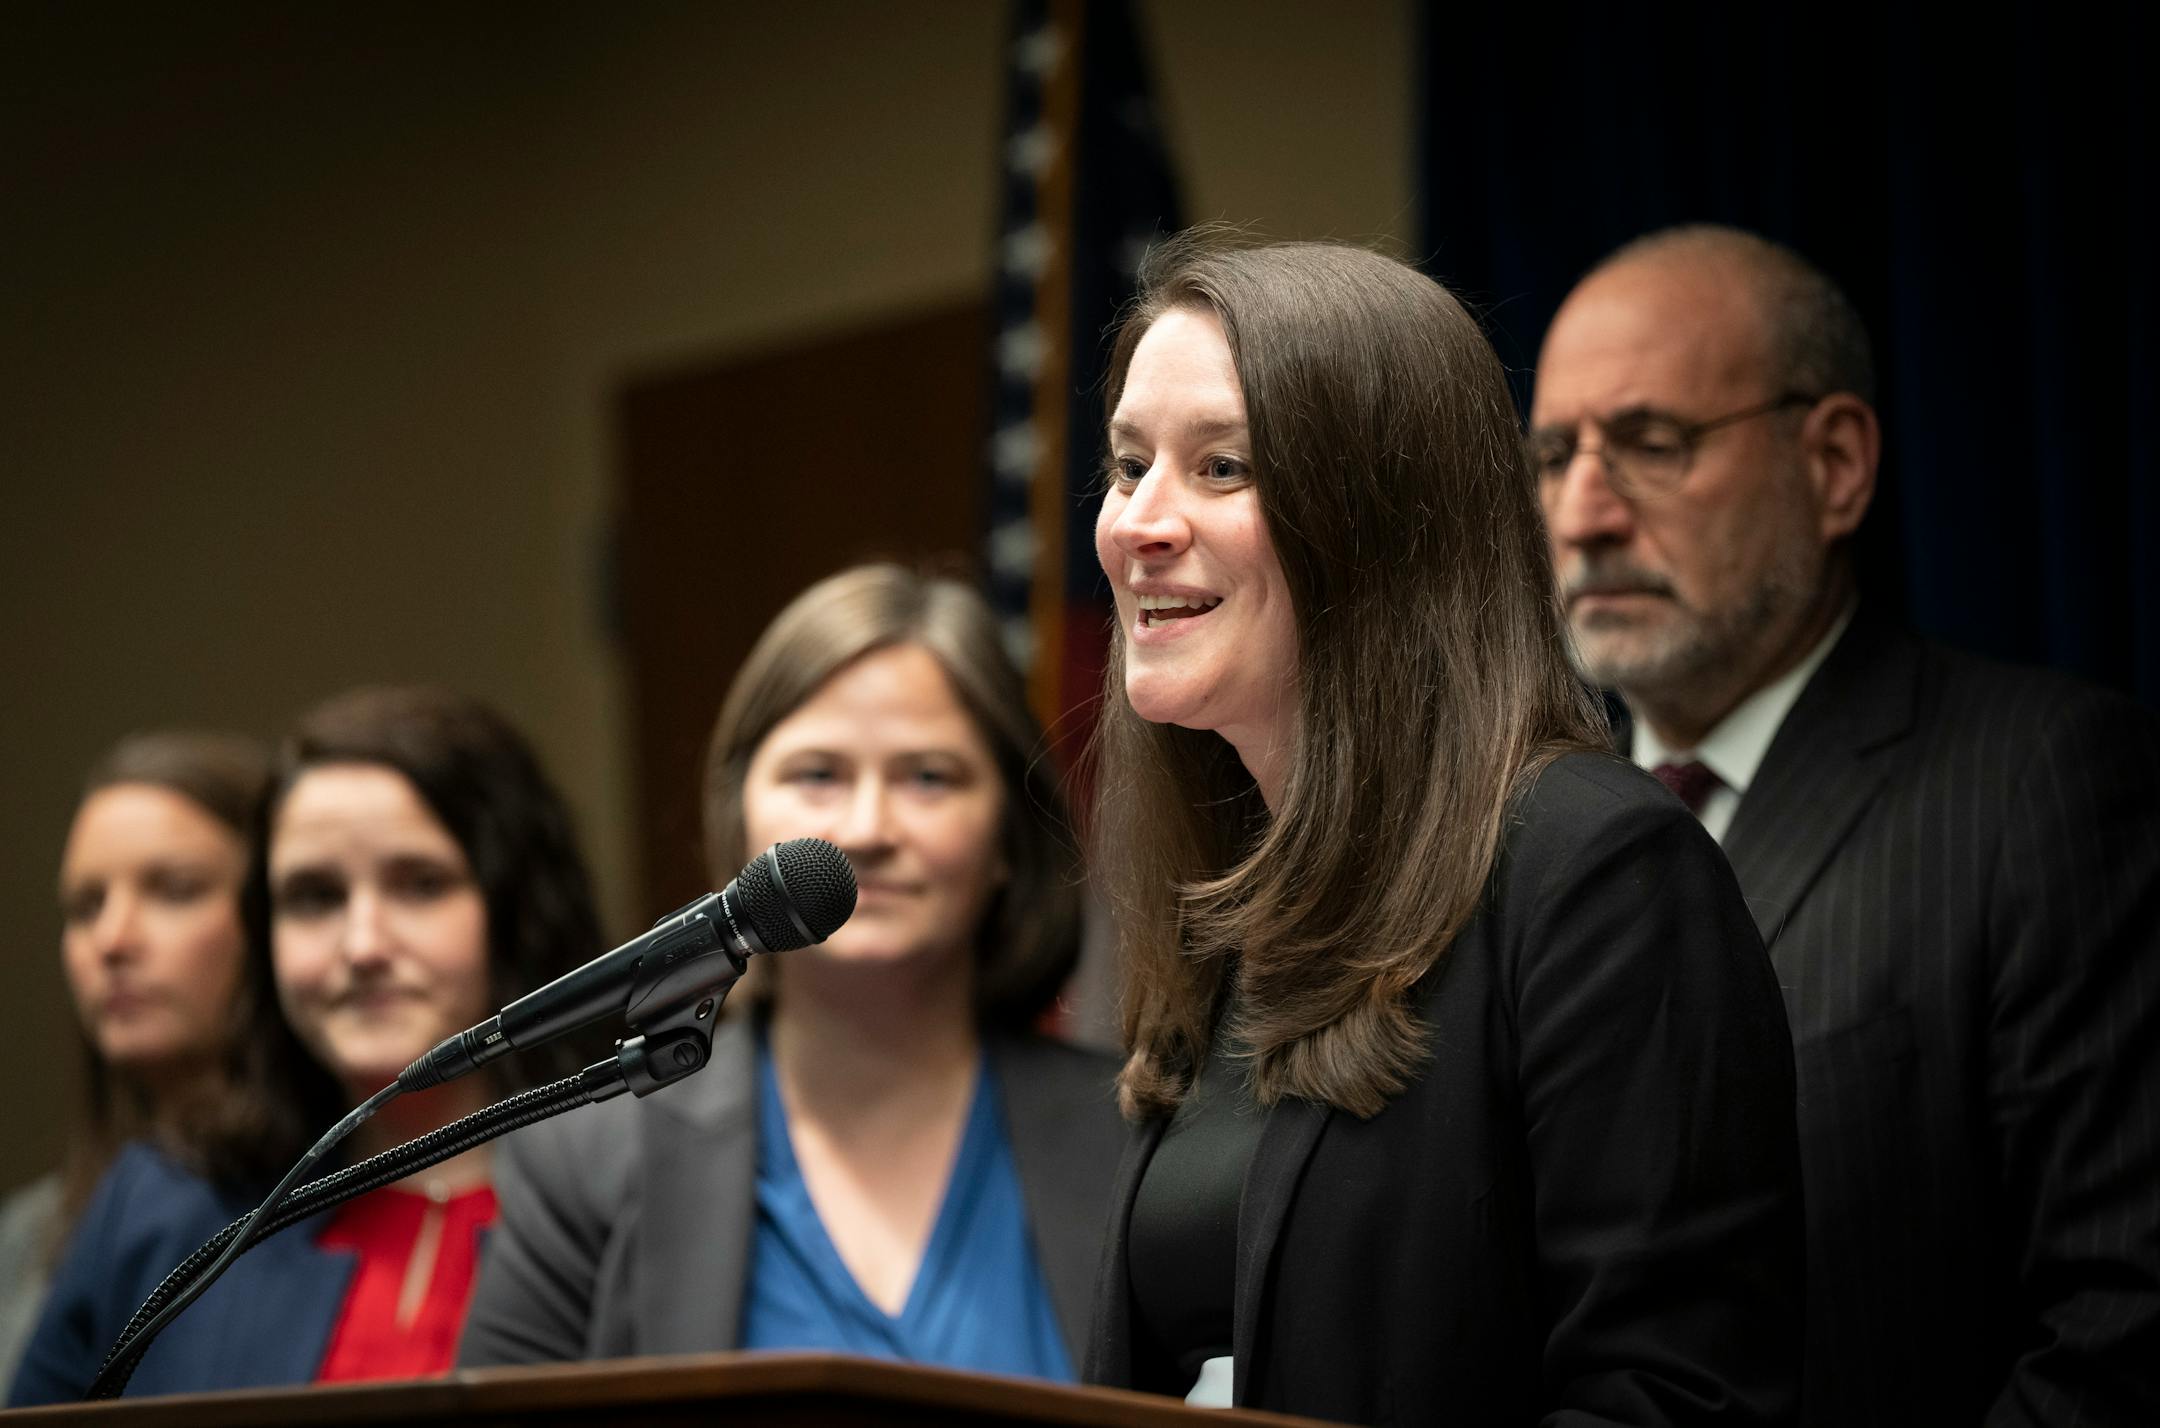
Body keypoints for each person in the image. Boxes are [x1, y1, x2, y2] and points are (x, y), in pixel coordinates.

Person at [1080, 234, 1803, 1424]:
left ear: (1386, 519)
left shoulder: (1594, 871)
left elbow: (1674, 1396)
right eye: (1126, 465)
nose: (1137, 525)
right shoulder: (1225, 898)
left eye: (1222, 469)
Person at [1529, 223, 2160, 1426]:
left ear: (1835, 466)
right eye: (1553, 456)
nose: (1583, 513)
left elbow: (2121, 1328)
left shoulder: (2044, 785)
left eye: (1651, 445)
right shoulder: (1520, 837)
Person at [460, 563, 1123, 1381]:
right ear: (739, 823)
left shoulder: (1139, 1140)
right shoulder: (587, 1163)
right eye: (817, 775)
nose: (867, 827)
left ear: (1006, 844)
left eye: (929, 776)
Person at [10, 687, 604, 1403]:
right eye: (314, 897)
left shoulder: (646, 1197)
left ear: (516, 911)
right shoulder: (160, 1206)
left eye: (420, 885)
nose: (362, 946)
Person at [0, 732, 271, 1388]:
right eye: (86, 906)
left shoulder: (342, 1201)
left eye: (174, 889)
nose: (113, 940)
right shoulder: (25, 1236)